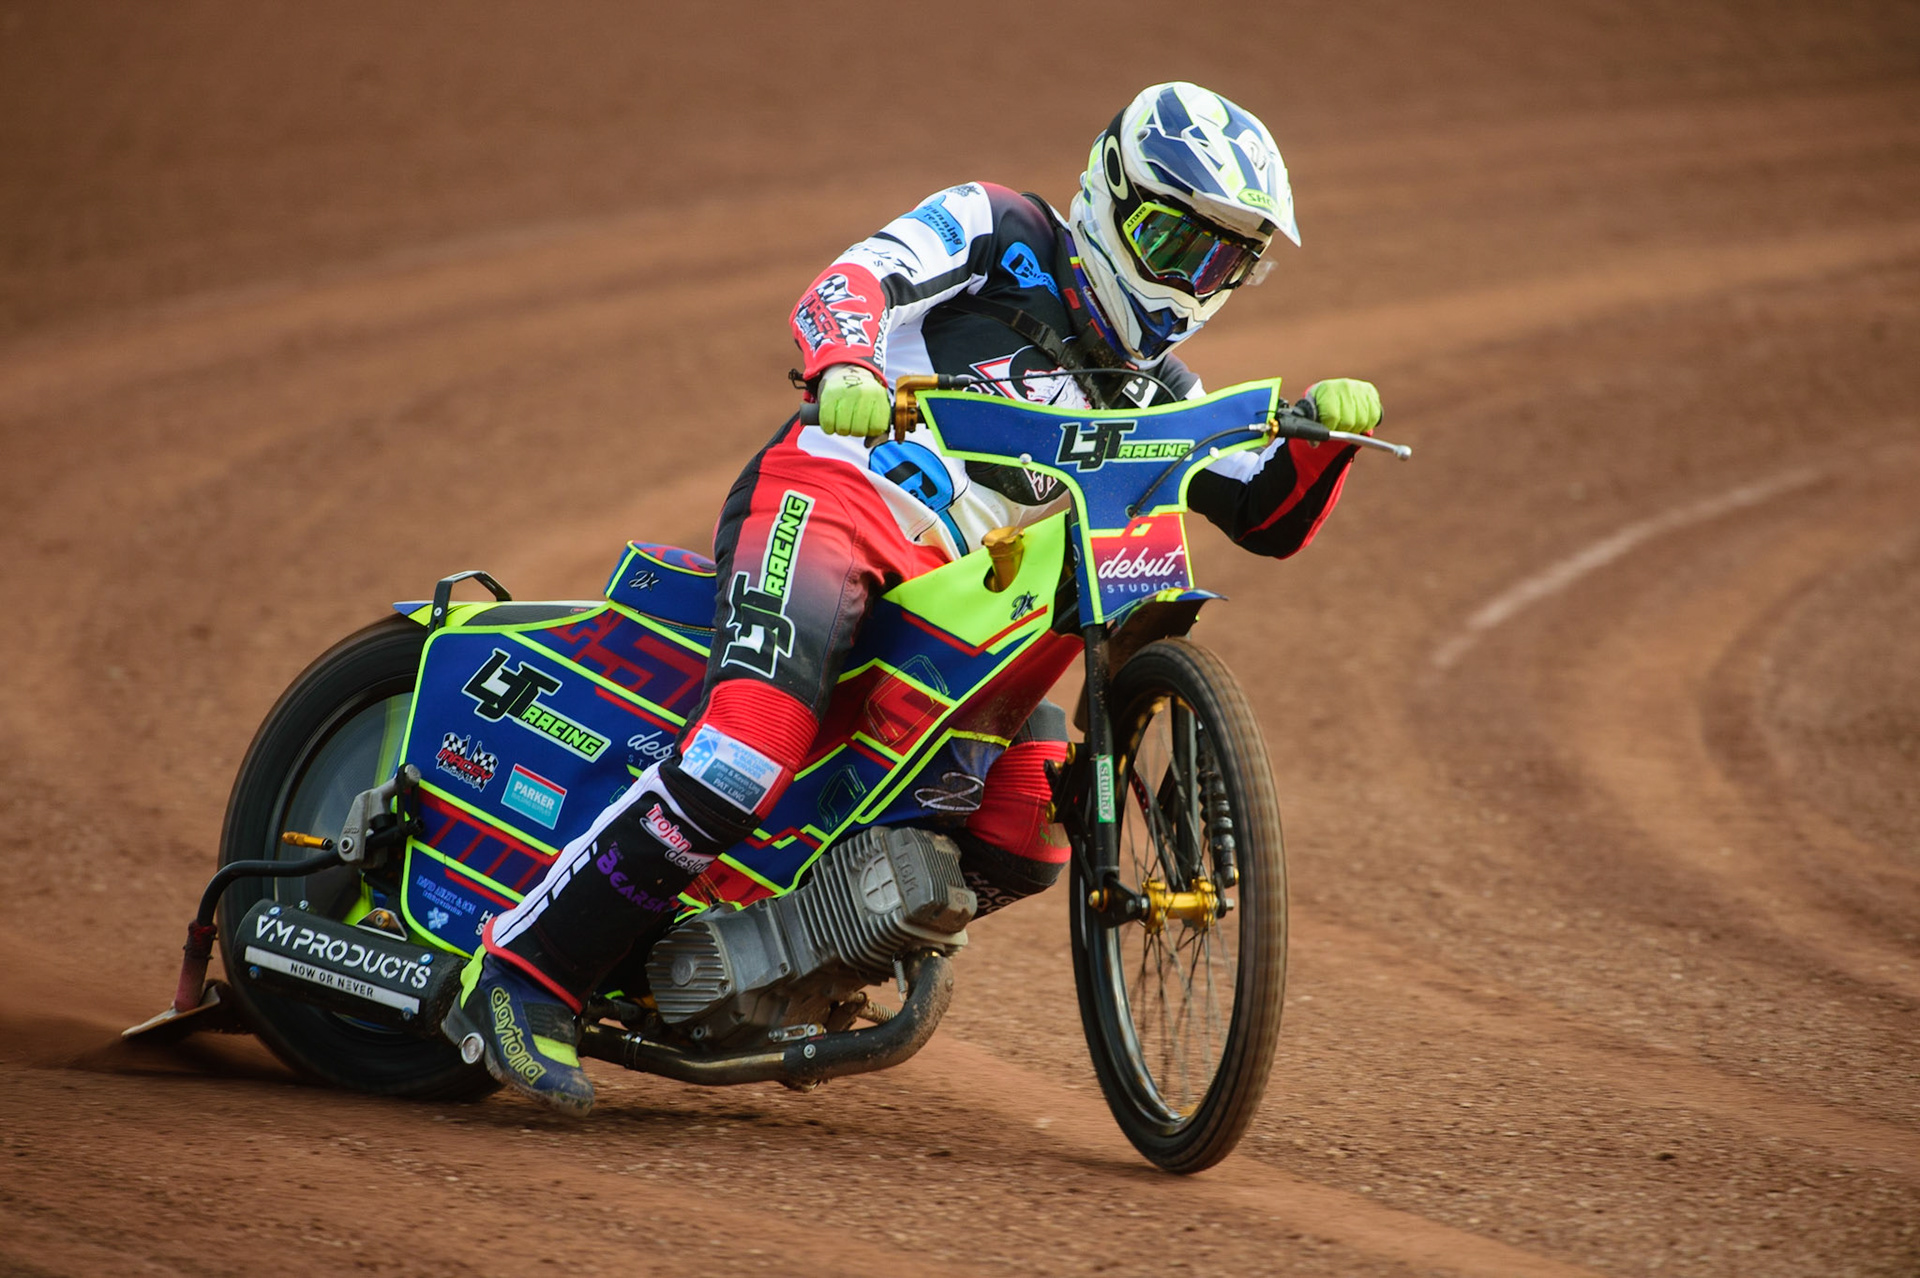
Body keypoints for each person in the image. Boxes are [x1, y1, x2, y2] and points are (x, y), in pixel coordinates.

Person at [442, 82, 1384, 1114]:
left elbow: (1267, 517)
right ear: (1109, 199)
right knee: (748, 743)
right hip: (833, 498)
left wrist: (1321, 445)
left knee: (1028, 820)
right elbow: (854, 279)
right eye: (1174, 241)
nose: (1190, 282)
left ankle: (798, 951)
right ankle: (518, 975)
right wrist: (845, 360)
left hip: (952, 604)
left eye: (1222, 261)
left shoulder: (1157, 396)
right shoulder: (998, 228)